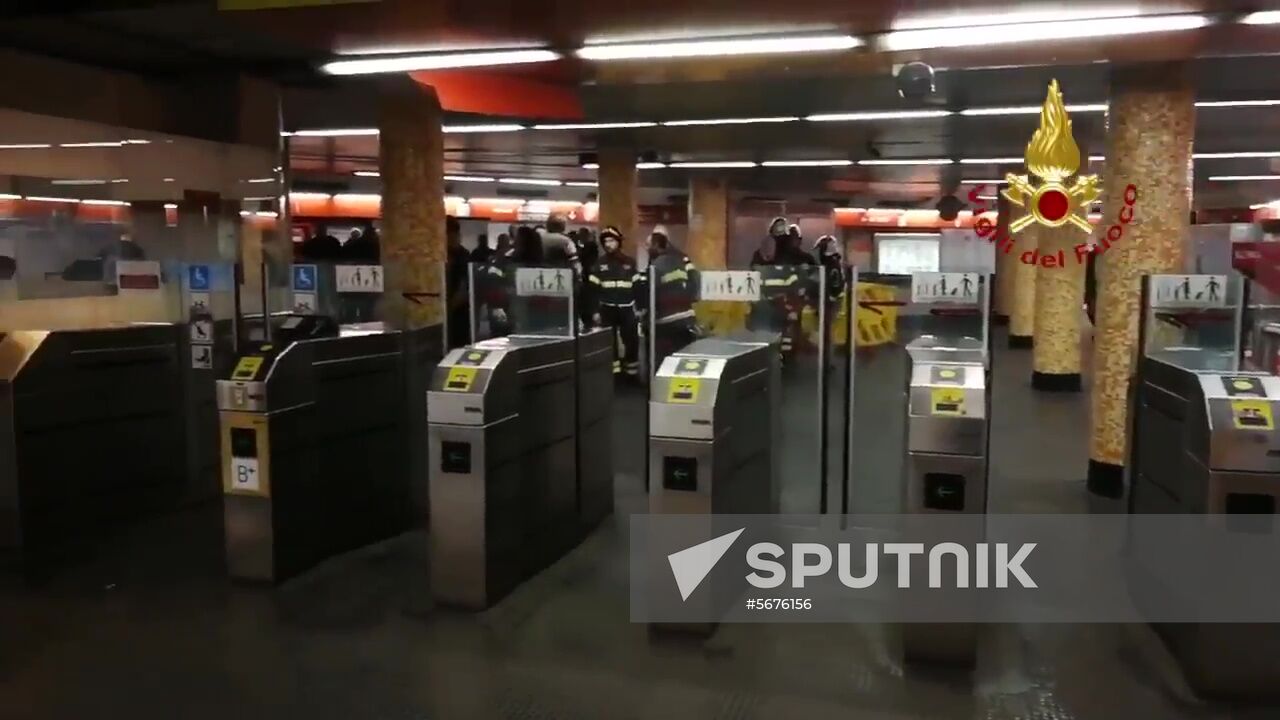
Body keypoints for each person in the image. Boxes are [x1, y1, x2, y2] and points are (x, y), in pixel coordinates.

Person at [634, 225, 699, 369]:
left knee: (663, 362)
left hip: (666, 322)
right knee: (684, 361)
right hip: (687, 318)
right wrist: (691, 299)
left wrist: (644, 315)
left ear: (657, 244)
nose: (646, 248)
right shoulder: (681, 258)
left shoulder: (656, 265)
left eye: (648, 245)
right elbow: (694, 279)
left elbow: (651, 294)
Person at [586, 226, 639, 379]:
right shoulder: (598, 265)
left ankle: (631, 374)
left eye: (611, 240)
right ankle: (613, 376)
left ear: (618, 242)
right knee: (609, 343)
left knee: (631, 341)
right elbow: (592, 290)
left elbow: (638, 287)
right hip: (606, 308)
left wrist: (641, 307)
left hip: (627, 308)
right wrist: (594, 311)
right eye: (605, 242)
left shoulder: (629, 263)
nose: (608, 244)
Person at [748, 234, 802, 360]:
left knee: (782, 343)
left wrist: (791, 309)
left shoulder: (784, 267)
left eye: (771, 248)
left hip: (780, 311)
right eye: (765, 248)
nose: (768, 251)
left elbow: (794, 289)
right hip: (762, 312)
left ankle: (783, 361)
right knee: (762, 343)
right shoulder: (756, 266)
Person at [445, 216, 471, 348]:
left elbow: (463, 289)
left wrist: (447, 310)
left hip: (458, 315)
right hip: (451, 312)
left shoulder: (463, 256)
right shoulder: (441, 255)